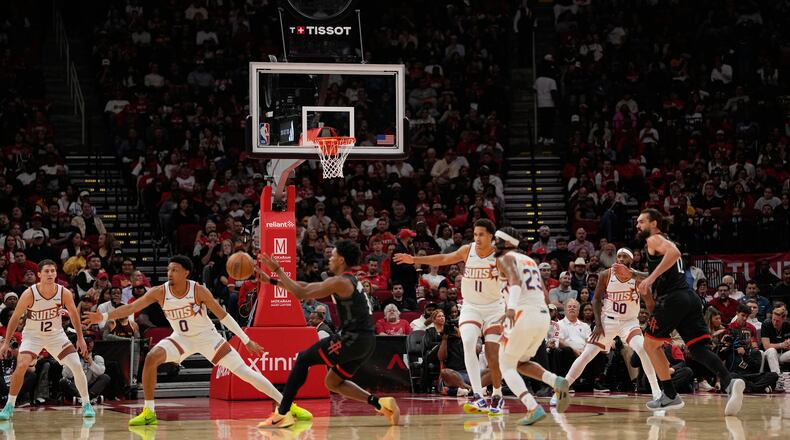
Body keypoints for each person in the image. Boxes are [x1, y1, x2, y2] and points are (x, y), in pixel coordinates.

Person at [83, 255, 312, 426]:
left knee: (245, 373)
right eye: (169, 269)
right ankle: (149, 412)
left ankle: (287, 404)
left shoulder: (199, 291)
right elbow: (131, 307)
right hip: (181, 339)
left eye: (174, 270)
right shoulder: (159, 292)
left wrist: (246, 340)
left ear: (186, 273)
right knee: (152, 357)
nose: (169, 273)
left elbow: (224, 316)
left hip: (207, 338)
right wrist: (103, 316)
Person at [255, 241, 399, 429]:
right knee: (333, 382)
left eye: (333, 255)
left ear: (341, 259)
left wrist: (278, 270)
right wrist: (273, 281)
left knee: (303, 359)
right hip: (366, 341)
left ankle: (282, 414)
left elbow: (301, 293)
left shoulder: (340, 281)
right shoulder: (348, 280)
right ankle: (381, 404)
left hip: (352, 338)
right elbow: (305, 285)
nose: (329, 258)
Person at [635, 209, 745, 414]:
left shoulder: (654, 239)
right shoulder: (663, 241)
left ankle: (669, 394)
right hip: (689, 297)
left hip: (673, 300)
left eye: (641, 221)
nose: (637, 225)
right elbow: (664, 268)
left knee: (650, 345)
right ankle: (730, 382)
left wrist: (649, 280)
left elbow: (674, 253)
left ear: (654, 223)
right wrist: (639, 275)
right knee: (698, 350)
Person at [393, 219, 506, 415]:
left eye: (481, 234)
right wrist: (415, 260)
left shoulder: (499, 257)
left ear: (491, 236)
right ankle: (478, 396)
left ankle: (496, 394)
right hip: (471, 307)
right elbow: (444, 259)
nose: (477, 238)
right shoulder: (467, 250)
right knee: (468, 342)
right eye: (475, 234)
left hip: (494, 309)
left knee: (492, 356)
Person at [556, 248, 662, 405]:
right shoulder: (606, 274)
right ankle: (560, 393)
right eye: (618, 256)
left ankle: (657, 393)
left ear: (630, 261)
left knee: (641, 349)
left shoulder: (637, 278)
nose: (619, 258)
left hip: (629, 322)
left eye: (624, 256)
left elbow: (650, 303)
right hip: (608, 321)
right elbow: (596, 300)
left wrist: (656, 323)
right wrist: (598, 324)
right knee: (587, 355)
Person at [0, 259, 96, 419]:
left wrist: (80, 338)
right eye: (47, 271)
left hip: (56, 335)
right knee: (22, 365)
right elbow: (15, 318)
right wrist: (6, 343)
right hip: (33, 335)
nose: (50, 274)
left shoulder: (63, 292)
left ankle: (86, 404)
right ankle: (9, 406)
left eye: (53, 271)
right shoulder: (29, 293)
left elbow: (73, 315)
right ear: (39, 274)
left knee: (77, 365)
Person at [494, 227, 570, 425]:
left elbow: (516, 280)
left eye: (497, 240)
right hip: (542, 315)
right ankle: (556, 381)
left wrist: (510, 308)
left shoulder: (505, 258)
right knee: (520, 362)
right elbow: (545, 295)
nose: (495, 243)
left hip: (521, 314)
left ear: (507, 243)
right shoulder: (530, 262)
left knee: (506, 366)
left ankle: (532, 407)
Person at [59, 336, 110, 404]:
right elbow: (65, 374)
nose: (86, 348)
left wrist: (91, 362)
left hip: (90, 387)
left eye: (89, 346)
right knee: (63, 381)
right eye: (85, 346)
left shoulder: (97, 358)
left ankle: (87, 397)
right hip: (76, 386)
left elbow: (101, 372)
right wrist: (74, 363)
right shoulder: (72, 357)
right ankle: (84, 398)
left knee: (105, 377)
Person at [761, 305, 790, 374]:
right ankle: (777, 376)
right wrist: (781, 345)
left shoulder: (788, 325)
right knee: (771, 350)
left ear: (784, 319)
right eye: (773, 319)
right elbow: (766, 346)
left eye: (778, 321)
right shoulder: (766, 324)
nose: (775, 323)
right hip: (769, 354)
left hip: (783, 354)